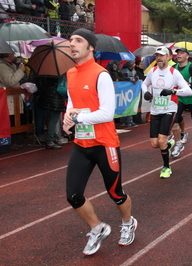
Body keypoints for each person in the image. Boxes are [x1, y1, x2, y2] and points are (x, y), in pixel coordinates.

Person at [62, 28, 137, 255]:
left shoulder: (101, 74)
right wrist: (68, 117)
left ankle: (128, 222)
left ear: (91, 47)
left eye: (78, 40)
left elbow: (107, 113)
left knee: (115, 193)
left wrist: (78, 117)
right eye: (70, 40)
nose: (72, 44)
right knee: (73, 196)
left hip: (105, 144)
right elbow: (72, 102)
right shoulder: (70, 74)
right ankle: (98, 228)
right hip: (82, 144)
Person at [141, 46, 192, 178]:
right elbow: (144, 84)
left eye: (162, 55)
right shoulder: (152, 71)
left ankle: (166, 167)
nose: (159, 58)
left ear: (169, 57)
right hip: (155, 110)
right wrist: (145, 92)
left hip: (169, 110)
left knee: (161, 140)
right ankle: (169, 144)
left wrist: (173, 91)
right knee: (154, 144)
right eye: (157, 55)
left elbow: (188, 91)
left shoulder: (174, 73)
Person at [170, 47, 192, 157]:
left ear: (187, 56)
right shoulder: (173, 68)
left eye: (181, 53)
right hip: (179, 98)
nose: (179, 55)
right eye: (177, 53)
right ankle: (179, 142)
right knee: (175, 119)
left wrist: (188, 85)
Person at [0, 52, 26, 151]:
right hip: (7, 99)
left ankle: (15, 141)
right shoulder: (2, 66)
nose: (14, 56)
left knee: (15, 119)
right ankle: (9, 143)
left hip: (13, 98)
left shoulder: (10, 65)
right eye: (12, 54)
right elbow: (10, 81)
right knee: (9, 120)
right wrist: (20, 70)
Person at [32, 73, 66, 149]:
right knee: (53, 119)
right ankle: (50, 140)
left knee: (50, 118)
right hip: (56, 98)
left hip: (47, 98)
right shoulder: (60, 73)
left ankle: (51, 138)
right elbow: (62, 90)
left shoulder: (44, 74)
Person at [120, 60, 139, 127]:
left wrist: (135, 79)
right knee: (124, 105)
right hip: (124, 90)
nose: (134, 65)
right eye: (133, 64)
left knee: (130, 105)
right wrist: (131, 80)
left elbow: (137, 76)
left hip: (131, 90)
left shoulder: (134, 70)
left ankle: (129, 121)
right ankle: (123, 121)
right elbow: (124, 77)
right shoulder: (124, 70)